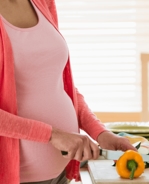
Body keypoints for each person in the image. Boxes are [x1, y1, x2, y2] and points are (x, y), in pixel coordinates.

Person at [0, 0, 136, 183]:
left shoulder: (42, 2)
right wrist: (52, 135)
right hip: (16, 177)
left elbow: (60, 86)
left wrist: (99, 132)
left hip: (61, 173)